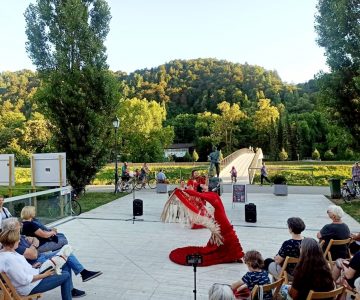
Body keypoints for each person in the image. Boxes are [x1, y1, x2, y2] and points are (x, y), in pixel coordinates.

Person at [2, 217, 102, 298]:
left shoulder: (11, 250)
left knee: (65, 258)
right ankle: (80, 277)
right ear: (12, 235)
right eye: (18, 229)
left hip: (35, 267)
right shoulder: (13, 253)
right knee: (65, 268)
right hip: (31, 280)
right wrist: (44, 274)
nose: (20, 228)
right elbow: (26, 274)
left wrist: (34, 266)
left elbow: (24, 265)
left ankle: (76, 282)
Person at [0, 225, 72, 299]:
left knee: (64, 263)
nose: (19, 241)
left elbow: (19, 271)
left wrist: (32, 267)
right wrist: (44, 275)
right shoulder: (10, 260)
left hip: (34, 276)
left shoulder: (7, 253)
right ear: (12, 242)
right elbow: (24, 280)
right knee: (66, 275)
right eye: (17, 240)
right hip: (29, 287)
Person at [266, 217, 305, 281]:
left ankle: (268, 287)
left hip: (290, 275)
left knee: (267, 262)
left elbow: (278, 261)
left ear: (291, 228)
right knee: (275, 267)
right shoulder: (307, 241)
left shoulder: (288, 244)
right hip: (304, 273)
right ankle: (276, 288)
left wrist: (276, 257)